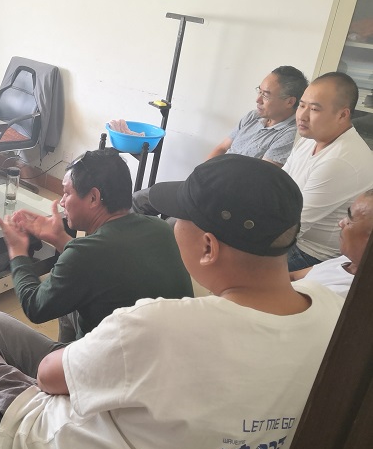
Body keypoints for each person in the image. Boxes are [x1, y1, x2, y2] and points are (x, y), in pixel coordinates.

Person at [0, 154, 343, 449]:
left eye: (180, 216)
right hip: (134, 426)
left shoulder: (160, 325)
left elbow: (48, 374)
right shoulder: (332, 316)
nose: (172, 224)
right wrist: (66, 244)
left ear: (208, 247)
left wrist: (19, 253)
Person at [0, 147, 193, 358]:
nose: (62, 201)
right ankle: (63, 360)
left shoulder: (85, 254)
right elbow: (103, 264)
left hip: (113, 367)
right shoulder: (159, 227)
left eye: (67, 193)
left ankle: (64, 368)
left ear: (94, 198)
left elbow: (35, 307)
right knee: (67, 301)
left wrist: (17, 252)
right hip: (166, 355)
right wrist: (60, 238)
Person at [133, 65, 307, 215]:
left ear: (289, 101)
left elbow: (257, 181)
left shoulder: (290, 136)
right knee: (139, 199)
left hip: (228, 201)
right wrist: (201, 176)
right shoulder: (253, 117)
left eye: (266, 95)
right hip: (209, 184)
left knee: (175, 226)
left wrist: (210, 186)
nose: (258, 99)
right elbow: (222, 148)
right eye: (259, 91)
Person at [283, 72, 373, 271]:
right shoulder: (310, 139)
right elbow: (279, 185)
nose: (302, 115)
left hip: (310, 253)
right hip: (293, 236)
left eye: (314, 109)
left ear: (342, 114)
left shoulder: (340, 160)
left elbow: (290, 227)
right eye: (302, 105)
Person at [290, 189, 373, 298]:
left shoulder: (343, 293)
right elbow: (294, 276)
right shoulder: (348, 261)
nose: (341, 223)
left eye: (349, 220)